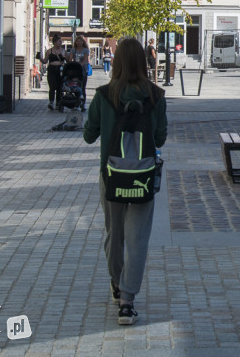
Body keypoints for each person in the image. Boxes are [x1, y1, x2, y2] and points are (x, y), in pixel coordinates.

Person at [83, 38, 167, 326]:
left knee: (113, 234)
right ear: (144, 62)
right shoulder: (156, 95)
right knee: (138, 239)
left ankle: (117, 285)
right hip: (143, 175)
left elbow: (88, 135)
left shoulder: (104, 94)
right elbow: (160, 138)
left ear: (115, 61)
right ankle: (128, 301)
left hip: (111, 175)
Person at [43, 35, 66, 111]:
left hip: (60, 69)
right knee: (52, 86)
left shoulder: (63, 51)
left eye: (61, 41)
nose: (60, 43)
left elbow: (68, 60)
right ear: (55, 42)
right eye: (59, 41)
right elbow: (45, 61)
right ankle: (51, 102)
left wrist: (65, 57)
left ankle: (58, 103)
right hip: (52, 69)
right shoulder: (49, 51)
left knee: (59, 87)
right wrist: (40, 58)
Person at [68, 36, 91, 110]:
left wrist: (80, 64)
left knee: (83, 87)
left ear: (83, 42)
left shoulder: (85, 50)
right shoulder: (73, 50)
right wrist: (71, 64)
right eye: (77, 41)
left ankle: (83, 104)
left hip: (83, 70)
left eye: (80, 41)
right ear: (76, 42)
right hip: (75, 70)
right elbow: (70, 59)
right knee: (75, 87)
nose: (79, 42)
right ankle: (75, 102)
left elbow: (85, 60)